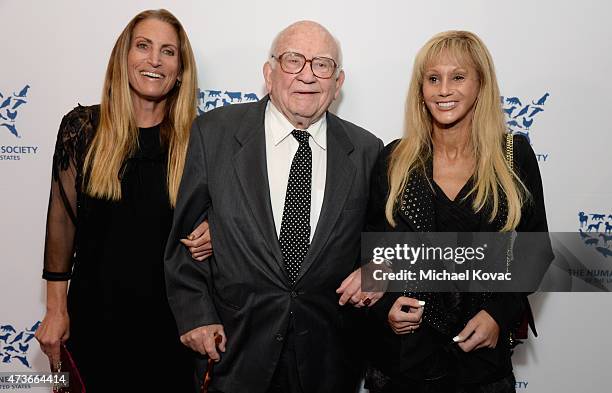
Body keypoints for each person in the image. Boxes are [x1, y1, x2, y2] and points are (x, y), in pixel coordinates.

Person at [165, 20, 383, 393]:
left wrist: (380, 270)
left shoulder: (367, 150)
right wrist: (195, 317)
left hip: (329, 361)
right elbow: (183, 244)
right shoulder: (213, 133)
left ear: (338, 83)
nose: (307, 75)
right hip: (234, 353)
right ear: (269, 73)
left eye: (322, 65)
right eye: (293, 60)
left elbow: (382, 245)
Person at [365, 30, 552, 393]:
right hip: (405, 361)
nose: (444, 89)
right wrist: (385, 305)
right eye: (433, 79)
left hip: (481, 363)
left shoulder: (513, 156)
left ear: (481, 84)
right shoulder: (394, 159)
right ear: (421, 90)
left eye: (458, 77)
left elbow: (536, 253)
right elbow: (372, 254)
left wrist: (499, 314)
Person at [35, 9, 210, 392]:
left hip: (172, 329)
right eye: (143, 46)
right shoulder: (82, 128)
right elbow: (61, 222)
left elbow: (230, 213)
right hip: (95, 320)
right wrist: (55, 309)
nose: (154, 60)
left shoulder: (199, 141)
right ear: (123, 57)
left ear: (180, 70)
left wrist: (217, 229)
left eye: (168, 52)